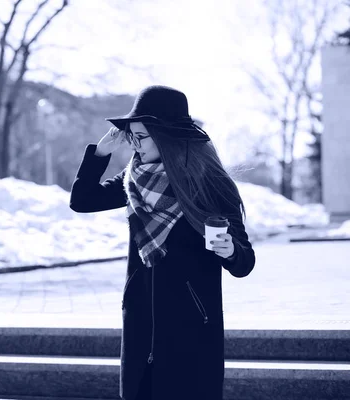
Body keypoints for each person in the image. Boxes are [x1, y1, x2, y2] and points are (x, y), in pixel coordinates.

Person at [69, 85, 256, 400]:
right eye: (131, 137)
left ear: (165, 134)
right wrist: (101, 152)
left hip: (191, 328)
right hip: (141, 322)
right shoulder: (135, 181)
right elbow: (82, 200)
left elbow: (244, 261)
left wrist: (230, 250)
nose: (134, 146)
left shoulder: (210, 184)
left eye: (140, 137)